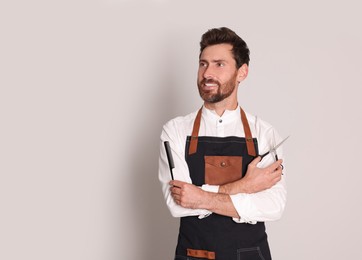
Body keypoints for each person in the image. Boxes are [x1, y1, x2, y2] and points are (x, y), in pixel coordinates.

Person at [159, 27, 287, 260]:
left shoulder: (265, 133)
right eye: (203, 64)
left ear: (242, 72)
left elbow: (273, 205)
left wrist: (200, 197)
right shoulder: (175, 130)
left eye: (219, 64)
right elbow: (178, 204)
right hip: (194, 254)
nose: (207, 73)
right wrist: (245, 186)